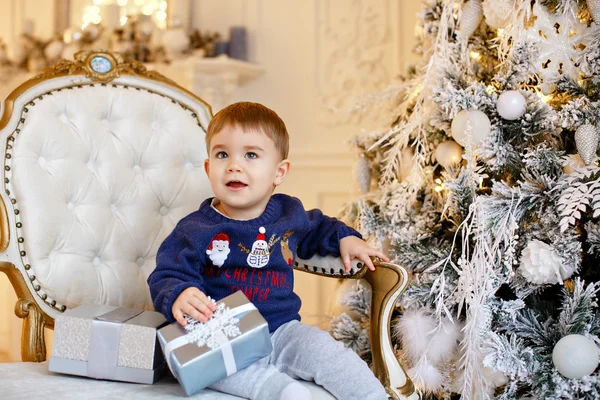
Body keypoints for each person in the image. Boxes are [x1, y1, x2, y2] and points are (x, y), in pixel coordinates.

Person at [148, 102, 389, 400]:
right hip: (224, 336)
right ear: (209, 168)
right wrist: (179, 295)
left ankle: (373, 396)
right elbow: (167, 273)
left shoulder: (289, 213)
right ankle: (281, 391)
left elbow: (321, 227)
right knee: (222, 369)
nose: (235, 165)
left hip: (284, 331)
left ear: (279, 172)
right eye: (223, 154)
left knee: (330, 354)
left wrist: (346, 238)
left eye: (250, 155)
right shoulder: (195, 229)